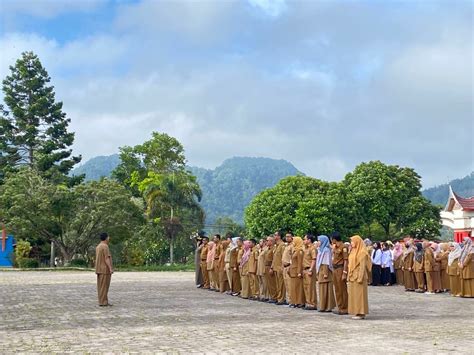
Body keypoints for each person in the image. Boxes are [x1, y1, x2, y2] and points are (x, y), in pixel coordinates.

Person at [347, 235, 371, 320]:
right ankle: (356, 311)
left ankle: (361, 313)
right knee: (354, 295)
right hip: (352, 276)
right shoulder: (353, 251)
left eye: (352, 241)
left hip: (359, 276)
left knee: (360, 295)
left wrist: (360, 277)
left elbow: (362, 267)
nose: (351, 243)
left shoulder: (362, 252)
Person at [331, 231, 348, 315]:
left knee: (342, 289)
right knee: (337, 289)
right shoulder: (335, 247)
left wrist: (344, 272)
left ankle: (345, 307)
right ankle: (339, 306)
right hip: (335, 269)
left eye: (332, 239)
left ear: (334, 239)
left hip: (340, 269)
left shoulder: (343, 247)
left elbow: (346, 260)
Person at [316, 235, 335, 312]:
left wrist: (325, 273)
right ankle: (323, 305)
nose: (318, 242)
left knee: (326, 289)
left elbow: (326, 262)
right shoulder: (321, 249)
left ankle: (326, 306)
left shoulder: (326, 250)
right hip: (321, 270)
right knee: (322, 289)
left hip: (325, 271)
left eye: (319, 241)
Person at [95, 232, 113, 307]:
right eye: (108, 237)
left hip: (99, 268)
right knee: (105, 286)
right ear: (106, 238)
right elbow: (106, 258)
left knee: (100, 286)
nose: (109, 238)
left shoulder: (98, 246)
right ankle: (103, 302)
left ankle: (102, 300)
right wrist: (110, 268)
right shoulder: (105, 246)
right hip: (104, 269)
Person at [289, 236, 305, 308]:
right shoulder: (295, 250)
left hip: (296, 272)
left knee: (298, 288)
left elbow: (300, 262)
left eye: (294, 240)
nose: (293, 242)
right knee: (293, 288)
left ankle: (299, 301)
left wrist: (299, 272)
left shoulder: (300, 251)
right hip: (292, 271)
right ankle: (294, 301)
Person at [271, 231, 286, 306]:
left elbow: (284, 257)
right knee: (277, 284)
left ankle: (281, 298)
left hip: (280, 267)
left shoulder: (282, 245)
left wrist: (282, 267)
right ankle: (278, 297)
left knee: (281, 285)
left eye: (275, 235)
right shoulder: (276, 246)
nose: (274, 236)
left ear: (279, 236)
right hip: (275, 268)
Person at [302, 234, 317, 310]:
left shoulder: (312, 248)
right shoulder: (305, 248)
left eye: (305, 239)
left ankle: (312, 303)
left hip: (309, 269)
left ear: (309, 240)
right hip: (304, 269)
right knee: (306, 287)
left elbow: (314, 259)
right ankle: (308, 302)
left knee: (311, 287)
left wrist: (311, 269)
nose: (304, 241)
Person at [264, 236, 277, 303]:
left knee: (272, 283)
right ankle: (271, 296)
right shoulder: (267, 249)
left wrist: (272, 267)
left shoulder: (273, 249)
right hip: (266, 266)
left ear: (271, 241)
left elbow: (274, 260)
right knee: (268, 283)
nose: (266, 241)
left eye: (267, 240)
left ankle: (274, 297)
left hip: (270, 266)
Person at [282, 232, 294, 305]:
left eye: (289, 236)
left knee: (290, 285)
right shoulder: (286, 246)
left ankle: (292, 300)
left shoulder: (292, 246)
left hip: (289, 266)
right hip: (284, 267)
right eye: (286, 237)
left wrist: (290, 265)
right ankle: (290, 300)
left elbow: (292, 257)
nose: (287, 238)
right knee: (287, 285)